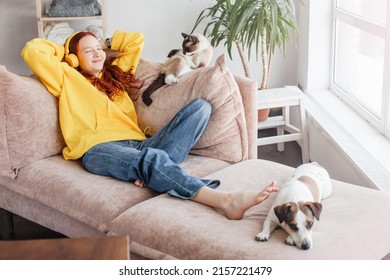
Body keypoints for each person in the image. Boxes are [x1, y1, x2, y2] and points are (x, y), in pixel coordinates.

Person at [21, 30, 278, 220]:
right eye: (88, 51)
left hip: (140, 144)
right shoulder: (66, 78)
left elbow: (136, 40)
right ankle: (222, 199)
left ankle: (149, 171)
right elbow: (32, 51)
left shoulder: (115, 77)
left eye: (98, 48)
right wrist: (66, 54)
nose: (97, 53)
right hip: (98, 149)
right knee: (152, 158)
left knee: (201, 108)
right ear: (74, 59)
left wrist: (104, 43)